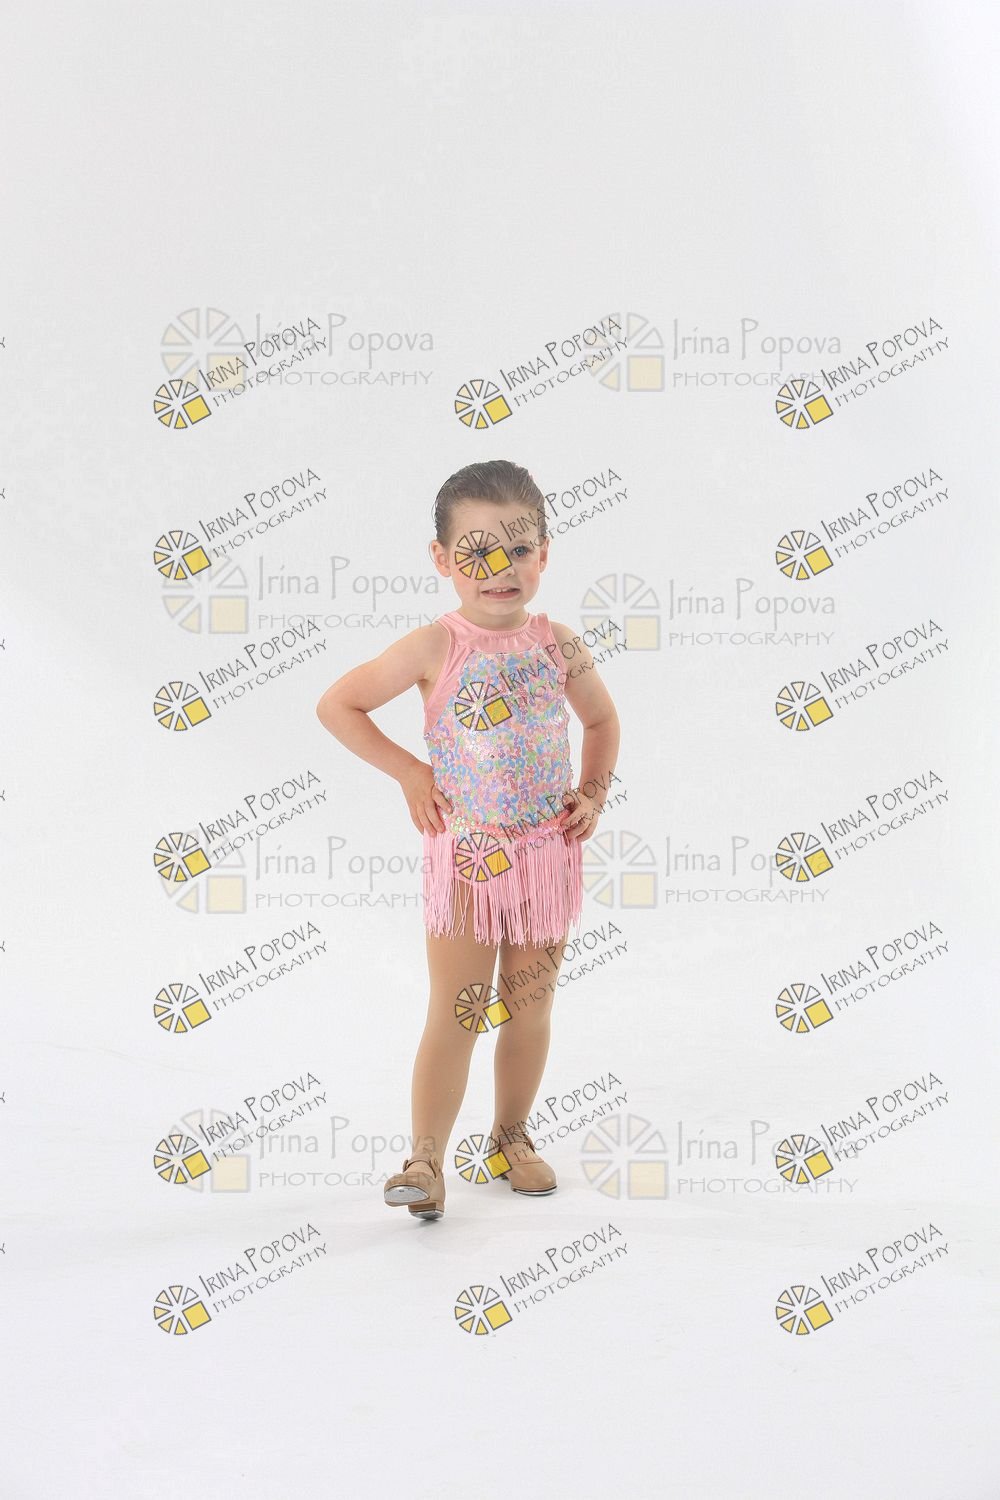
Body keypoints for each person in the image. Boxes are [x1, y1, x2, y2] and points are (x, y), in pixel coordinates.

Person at [315, 459, 621, 1221]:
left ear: (544, 554)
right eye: (477, 552)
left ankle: (510, 1138)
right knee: (459, 1007)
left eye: (518, 550)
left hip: (546, 858)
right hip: (466, 862)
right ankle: (425, 1159)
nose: (499, 570)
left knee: (529, 1007)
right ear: (442, 558)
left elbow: (601, 720)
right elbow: (339, 704)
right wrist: (410, 773)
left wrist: (592, 793)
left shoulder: (559, 645)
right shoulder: (433, 646)